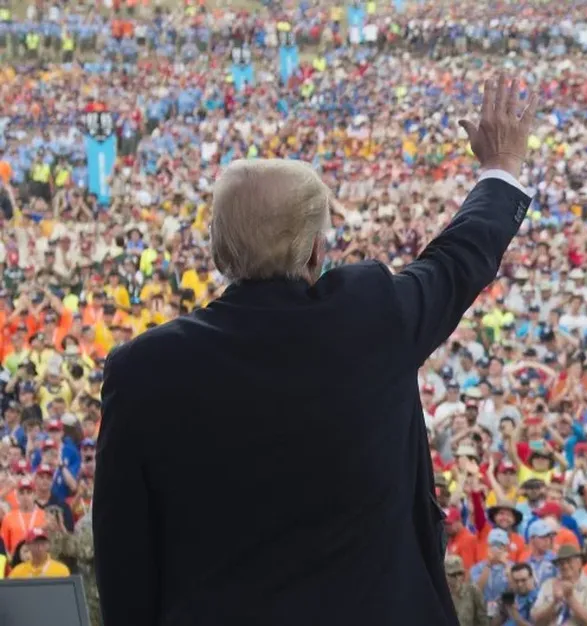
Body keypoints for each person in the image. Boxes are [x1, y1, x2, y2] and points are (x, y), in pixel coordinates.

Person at [93, 75, 539, 626]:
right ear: (314, 250)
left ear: (217, 250)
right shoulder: (371, 316)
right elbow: (458, 259)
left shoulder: (142, 369)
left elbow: (123, 558)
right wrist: (501, 166)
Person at [532, 544, 587, 625]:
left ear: (580, 562)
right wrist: (554, 603)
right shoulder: (548, 584)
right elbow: (536, 620)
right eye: (561, 563)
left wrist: (570, 598)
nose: (565, 566)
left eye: (569, 561)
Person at [446, 554, 490, 626]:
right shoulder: (439, 595)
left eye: (460, 573)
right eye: (453, 574)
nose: (457, 577)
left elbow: (482, 619)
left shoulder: (472, 591)